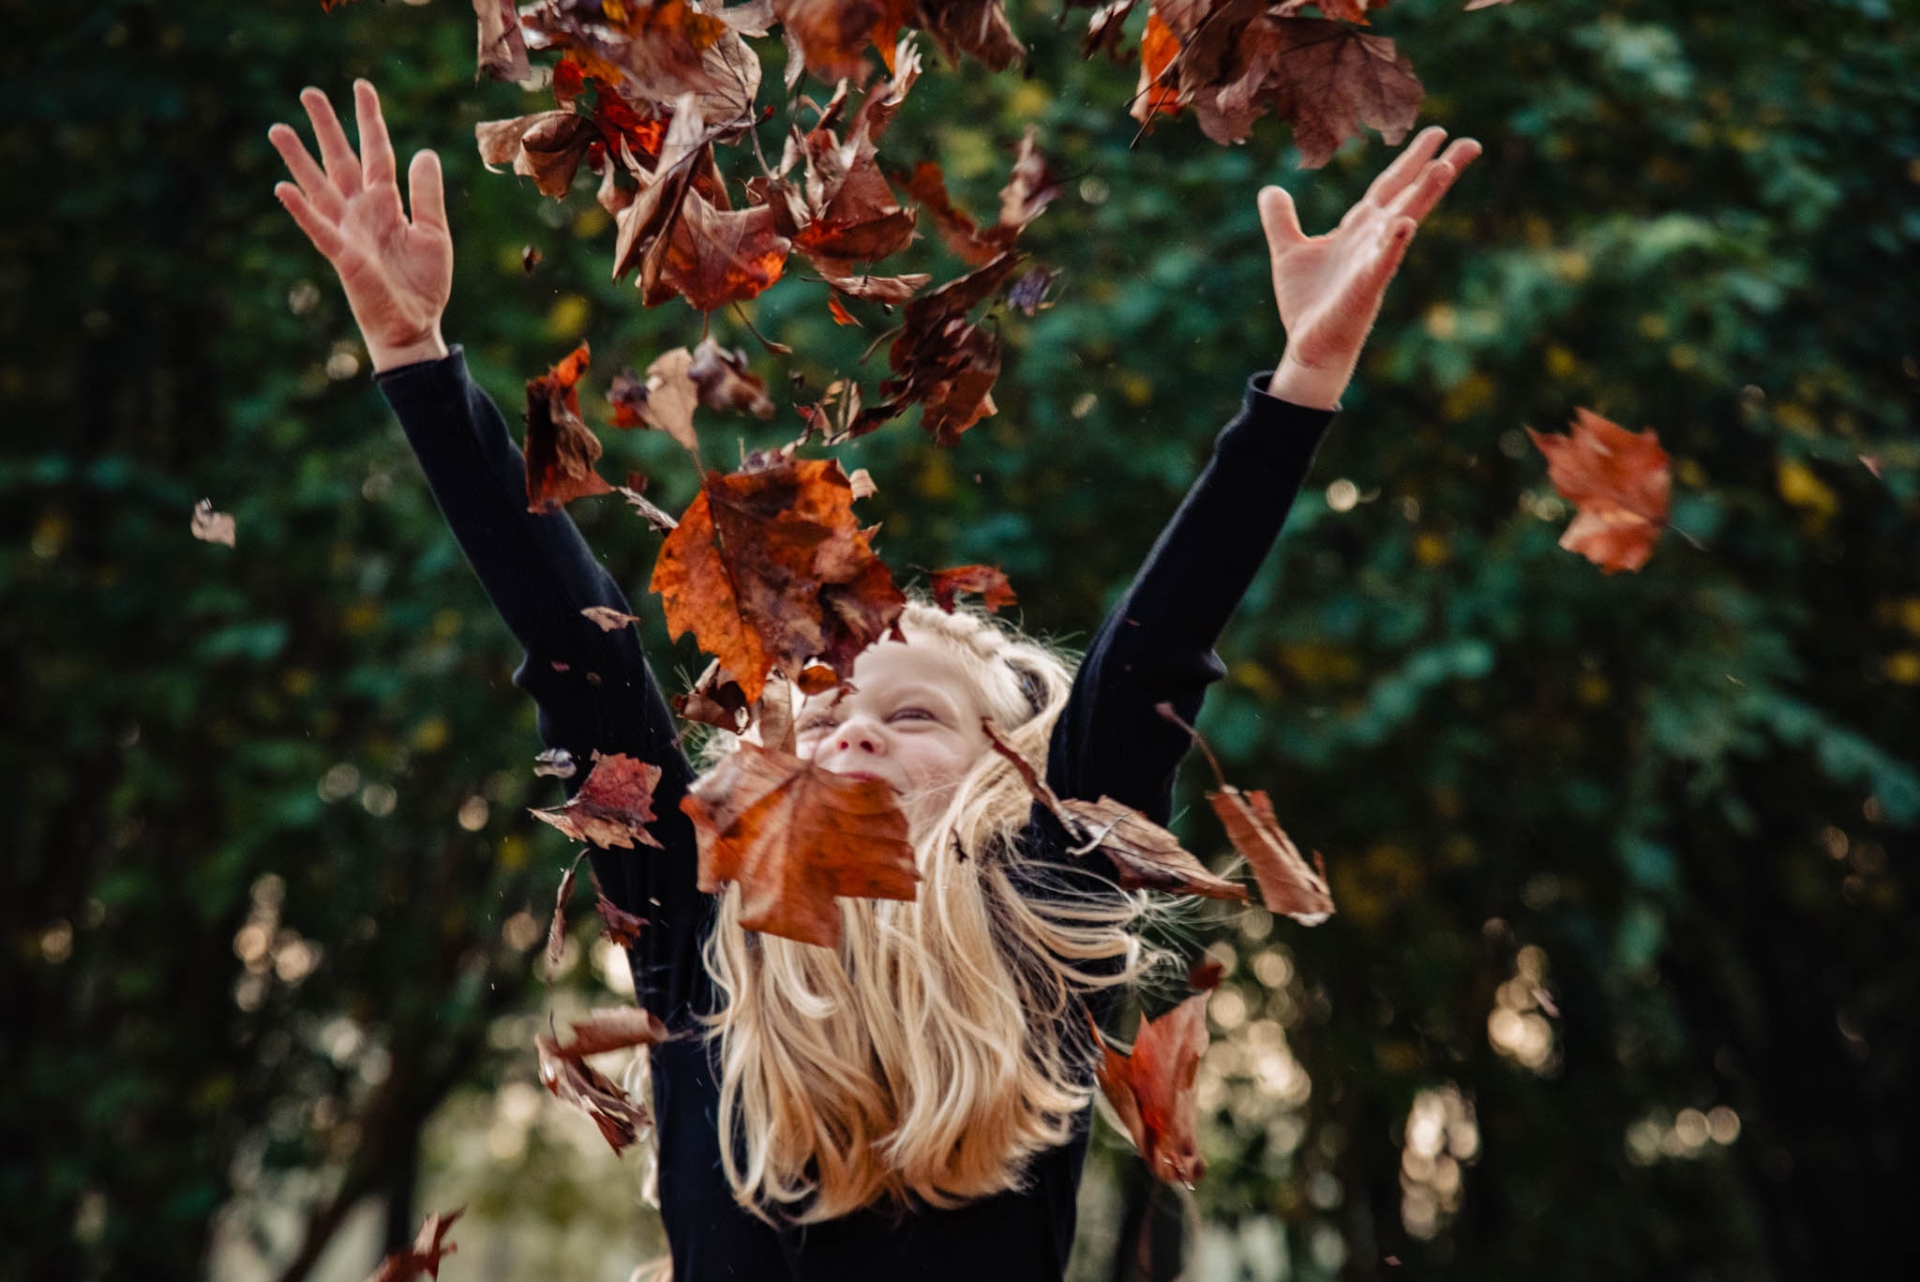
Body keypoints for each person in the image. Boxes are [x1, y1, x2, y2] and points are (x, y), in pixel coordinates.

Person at [270, 78, 1477, 1282]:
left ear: (1007, 777)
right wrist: (415, 358)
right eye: (820, 714)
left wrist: (1300, 386)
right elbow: (579, 648)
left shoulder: (1040, 913)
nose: (849, 734)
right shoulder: (700, 922)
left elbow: (1154, 655)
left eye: (912, 714)